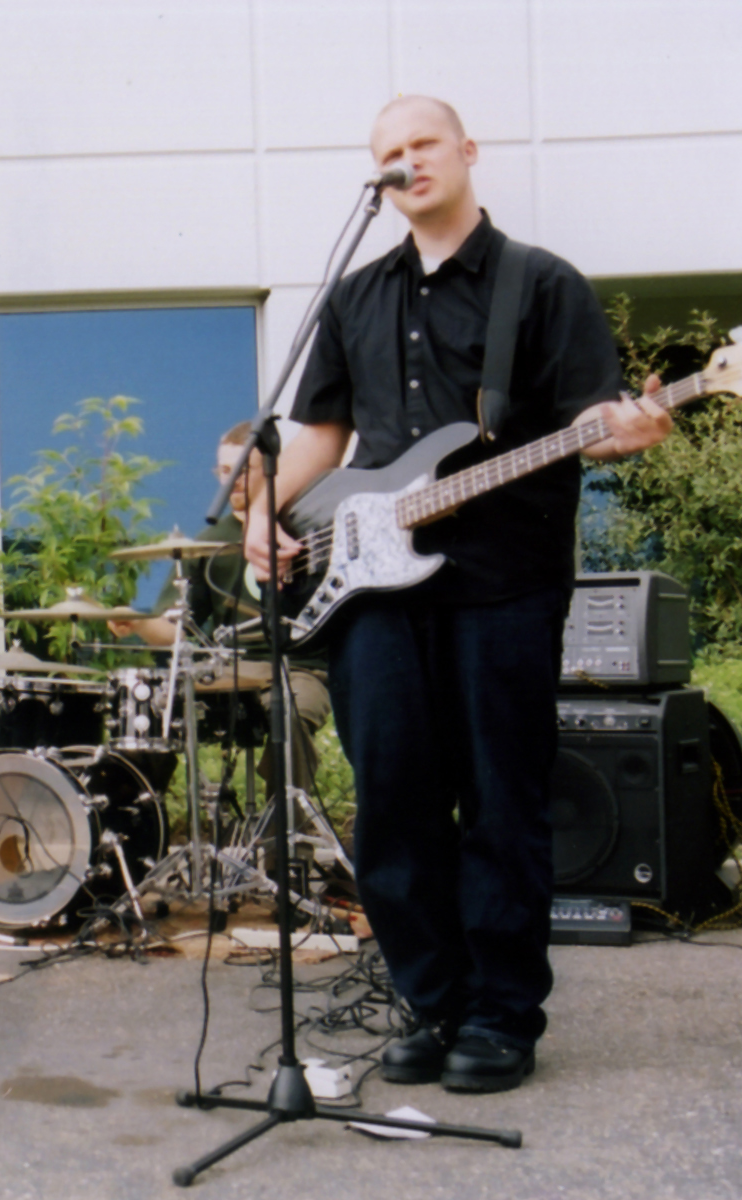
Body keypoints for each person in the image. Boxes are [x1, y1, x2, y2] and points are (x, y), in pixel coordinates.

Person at [245, 96, 671, 1093]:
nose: (407, 161)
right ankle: (430, 1002)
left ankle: (500, 1017)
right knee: (392, 804)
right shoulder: (355, 295)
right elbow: (323, 436)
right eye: (389, 152)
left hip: (502, 583)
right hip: (373, 589)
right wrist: (264, 509)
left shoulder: (542, 284)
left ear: (467, 151)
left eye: (423, 143)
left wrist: (633, 429)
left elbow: (594, 423)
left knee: (500, 804)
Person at [117, 420, 330, 797]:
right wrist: (137, 623)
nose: (230, 481)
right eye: (223, 470)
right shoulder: (210, 542)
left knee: (291, 715)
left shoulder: (308, 524)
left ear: (272, 468)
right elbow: (175, 629)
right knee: (152, 707)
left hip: (302, 669)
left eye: (241, 470)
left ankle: (285, 822)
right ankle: (140, 813)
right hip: (234, 667)